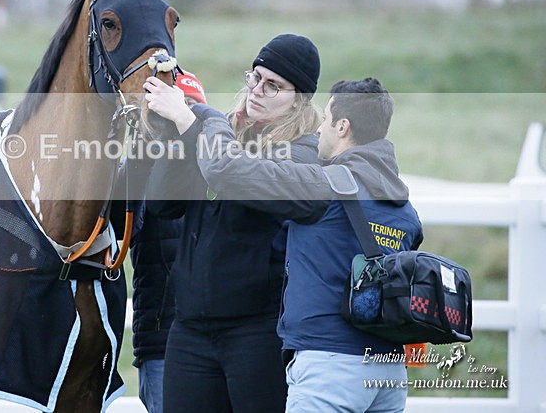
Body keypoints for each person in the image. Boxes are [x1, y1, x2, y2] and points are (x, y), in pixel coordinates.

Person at [151, 76, 423, 412]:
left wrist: (206, 116)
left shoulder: (321, 186)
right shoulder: (404, 209)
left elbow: (225, 170)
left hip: (329, 367)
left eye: (324, 120)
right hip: (388, 373)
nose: (318, 129)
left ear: (342, 127)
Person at [142, 34, 323, 412]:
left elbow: (233, 174)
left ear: (300, 99)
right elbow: (162, 204)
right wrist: (173, 134)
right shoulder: (217, 132)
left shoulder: (305, 149)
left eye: (273, 85)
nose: (257, 90)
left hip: (259, 332)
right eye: (254, 77)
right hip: (189, 330)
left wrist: (192, 119)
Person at [130, 71, 207, 413]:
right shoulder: (141, 171)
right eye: (174, 109)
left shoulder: (220, 166)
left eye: (190, 109)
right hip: (163, 341)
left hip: (211, 341)